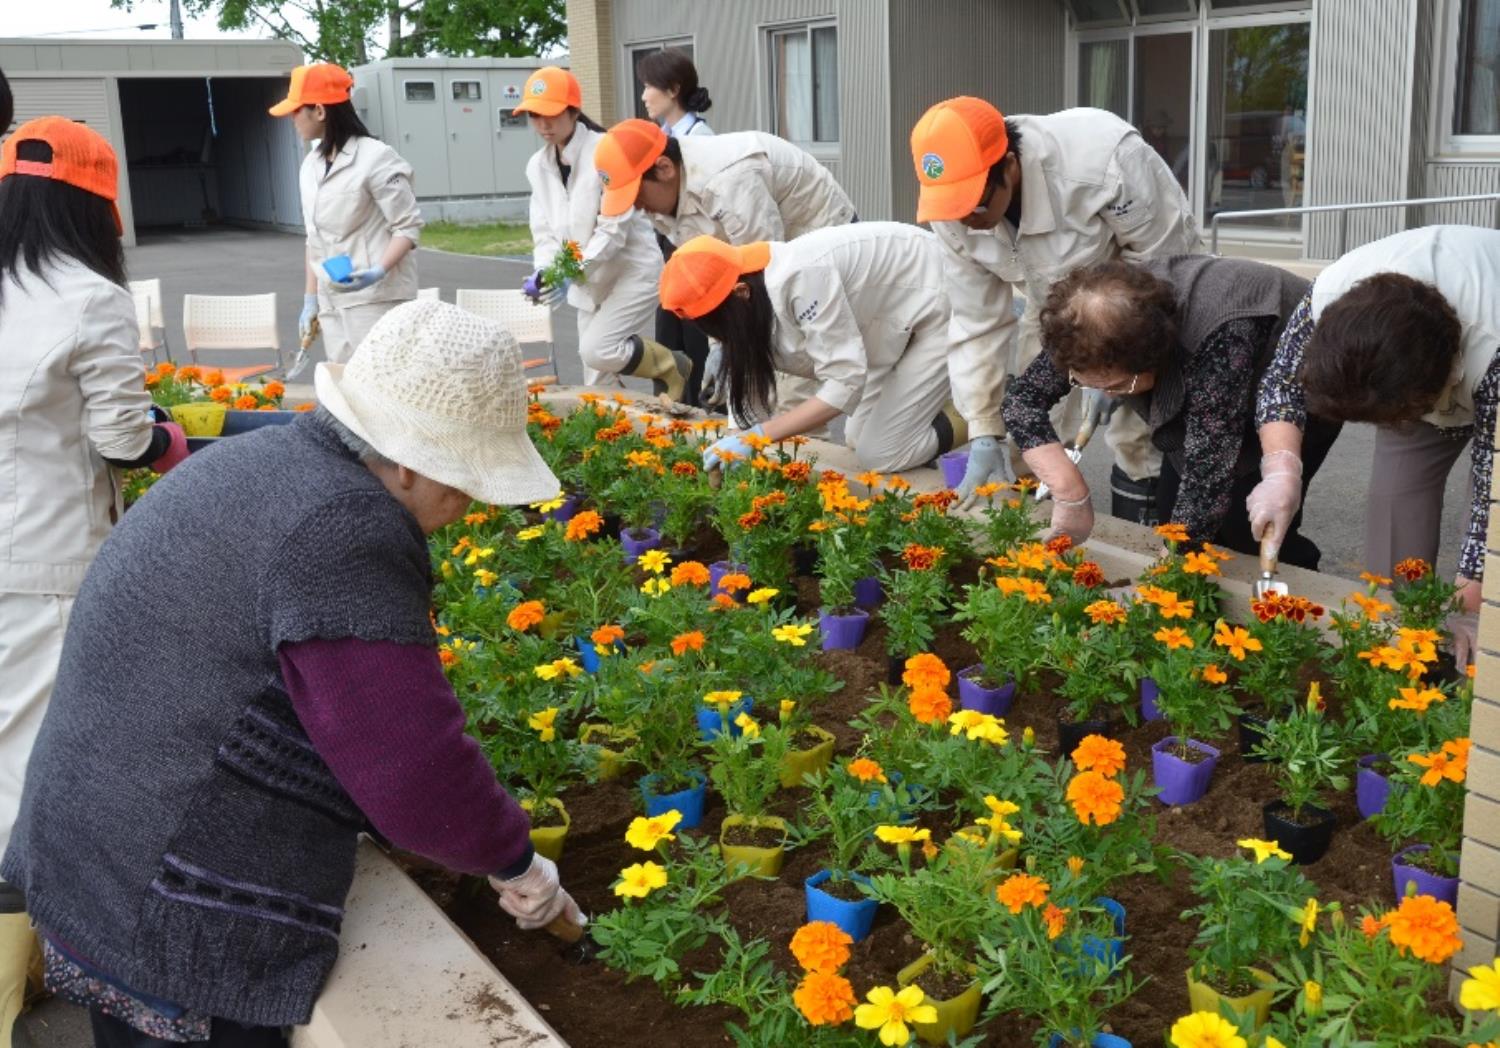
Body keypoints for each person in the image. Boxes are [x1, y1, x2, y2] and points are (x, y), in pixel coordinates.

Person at [3, 300, 584, 1047]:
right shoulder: (347, 526)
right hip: (163, 902)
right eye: (465, 478)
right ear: (409, 459)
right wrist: (515, 861)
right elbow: (410, 767)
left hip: (91, 852)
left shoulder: (266, 463)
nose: (469, 504)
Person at [0, 116, 189, 1043]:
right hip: (46, 565)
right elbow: (123, 438)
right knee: (26, 778)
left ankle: (25, 969)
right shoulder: (87, 296)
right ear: (93, 204)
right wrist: (173, 440)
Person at [908, 97, 1205, 512]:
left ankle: (1146, 542)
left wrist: (1128, 363)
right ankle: (1040, 532)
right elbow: (976, 321)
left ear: (1009, 166)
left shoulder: (1104, 161)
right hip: (1049, 306)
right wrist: (982, 426)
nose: (965, 221)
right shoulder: (952, 206)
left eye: (974, 204)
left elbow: (1170, 265)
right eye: (952, 210)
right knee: (1025, 428)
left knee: (1139, 435)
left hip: (1141, 304)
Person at [1249, 224, 1500, 663]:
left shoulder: (1490, 339)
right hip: (1409, 363)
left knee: (1487, 565)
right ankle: (1398, 645)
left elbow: (1491, 494)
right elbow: (1281, 385)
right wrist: (1281, 469)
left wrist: (1473, 600)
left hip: (1480, 354)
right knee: (1395, 500)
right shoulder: (1331, 298)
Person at [1004, 256, 1340, 566]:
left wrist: (1164, 580)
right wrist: (1069, 491)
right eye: (1086, 382)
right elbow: (1022, 401)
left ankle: (1295, 594)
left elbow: (1208, 472)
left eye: (1117, 385)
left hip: (1302, 383)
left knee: (1245, 525)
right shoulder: (1082, 327)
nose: (1107, 393)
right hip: (1212, 388)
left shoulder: (1220, 334)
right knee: (1173, 518)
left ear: (1154, 359)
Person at [593, 119, 856, 412]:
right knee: (755, 388)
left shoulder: (729, 182)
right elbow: (711, 283)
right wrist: (719, 346)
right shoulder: (668, 200)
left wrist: (734, 355)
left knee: (790, 393)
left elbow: (763, 279)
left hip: (816, 247)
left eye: (637, 195)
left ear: (664, 168)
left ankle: (801, 448)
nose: (639, 207)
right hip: (772, 262)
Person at [662, 224, 962, 473]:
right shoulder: (749, 293)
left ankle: (978, 410)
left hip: (937, 299)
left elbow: (845, 382)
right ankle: (929, 414)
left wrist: (760, 437)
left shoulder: (802, 279)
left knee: (882, 455)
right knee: (857, 438)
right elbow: (749, 387)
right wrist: (734, 442)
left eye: (721, 328)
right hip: (889, 324)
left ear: (741, 293)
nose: (725, 339)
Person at [515, 67, 685, 396]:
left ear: (574, 110)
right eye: (534, 116)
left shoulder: (606, 150)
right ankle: (610, 440)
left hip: (631, 270)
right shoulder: (537, 166)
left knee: (599, 350)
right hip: (587, 282)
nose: (543, 125)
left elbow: (613, 231)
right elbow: (544, 231)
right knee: (594, 380)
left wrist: (570, 271)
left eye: (550, 114)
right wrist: (546, 273)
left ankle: (670, 366)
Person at [271, 63, 422, 373]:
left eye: (297, 110)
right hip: (332, 299)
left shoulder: (376, 157)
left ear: (320, 111)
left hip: (376, 300)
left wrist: (378, 271)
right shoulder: (309, 167)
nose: (292, 119)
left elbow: (407, 227)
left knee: (380, 385)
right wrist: (310, 298)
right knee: (344, 387)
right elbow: (313, 239)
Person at [637, 48, 715, 405]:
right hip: (672, 258)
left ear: (672, 89)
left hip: (697, 262)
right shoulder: (660, 136)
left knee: (698, 354)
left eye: (648, 86)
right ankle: (670, 423)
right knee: (669, 354)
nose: (643, 96)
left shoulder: (700, 140)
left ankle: (703, 432)